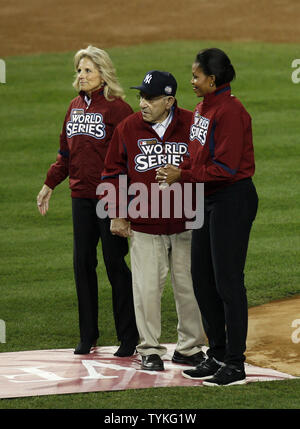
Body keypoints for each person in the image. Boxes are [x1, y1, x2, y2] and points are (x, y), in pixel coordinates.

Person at [156, 48, 258, 385]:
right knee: (202, 278)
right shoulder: (203, 108)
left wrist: (181, 176)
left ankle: (235, 362)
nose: (192, 81)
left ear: (212, 80)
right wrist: (181, 170)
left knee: (228, 281)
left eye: (196, 76)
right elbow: (200, 158)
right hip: (206, 199)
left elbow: (227, 169)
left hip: (231, 199)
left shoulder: (230, 112)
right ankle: (216, 353)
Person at [100, 70, 206, 371]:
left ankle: (189, 348)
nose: (143, 103)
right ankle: (149, 350)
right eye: (141, 97)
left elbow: (204, 166)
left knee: (190, 289)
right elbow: (112, 172)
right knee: (146, 290)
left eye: (150, 98)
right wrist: (118, 213)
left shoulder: (192, 125)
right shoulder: (127, 128)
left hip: (186, 222)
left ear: (169, 100)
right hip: (145, 225)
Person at [36, 46, 139, 356]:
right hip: (81, 197)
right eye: (79, 70)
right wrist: (49, 184)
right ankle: (87, 335)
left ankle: (128, 337)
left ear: (103, 74)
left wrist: (125, 206)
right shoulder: (74, 107)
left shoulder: (119, 110)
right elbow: (66, 155)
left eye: (87, 71)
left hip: (110, 199)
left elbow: (130, 160)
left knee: (114, 265)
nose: (81, 75)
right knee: (82, 264)